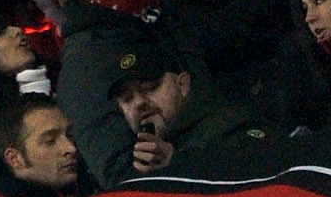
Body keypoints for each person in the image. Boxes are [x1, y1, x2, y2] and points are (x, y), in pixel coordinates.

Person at [52, 0, 287, 183]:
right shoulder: (86, 62)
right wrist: (177, 164)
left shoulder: (163, 14)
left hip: (237, 151)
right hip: (190, 188)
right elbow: (120, 170)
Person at [105, 23, 293, 178]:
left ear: (183, 84)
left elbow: (269, 168)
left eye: (151, 87)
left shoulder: (231, 126)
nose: (139, 103)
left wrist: (176, 161)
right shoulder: (133, 165)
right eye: (127, 98)